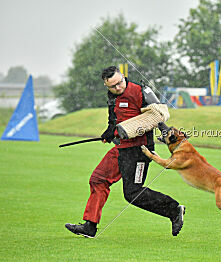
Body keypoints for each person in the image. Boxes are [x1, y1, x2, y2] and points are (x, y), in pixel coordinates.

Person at [65, 66, 185, 238]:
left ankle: (174, 210)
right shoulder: (112, 96)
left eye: (119, 83)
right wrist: (109, 131)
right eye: (112, 86)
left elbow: (158, 116)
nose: (118, 88)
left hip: (139, 151)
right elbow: (113, 120)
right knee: (98, 179)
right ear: (106, 85)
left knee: (132, 193)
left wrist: (169, 135)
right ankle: (90, 227)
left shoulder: (141, 91)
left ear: (123, 76)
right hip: (121, 148)